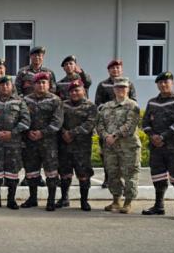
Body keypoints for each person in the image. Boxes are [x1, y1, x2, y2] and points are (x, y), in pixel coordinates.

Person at [141, 71, 174, 221]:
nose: (163, 85)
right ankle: (159, 206)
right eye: (160, 82)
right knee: (158, 177)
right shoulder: (152, 102)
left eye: (166, 82)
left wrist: (162, 137)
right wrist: (153, 136)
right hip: (156, 147)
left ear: (172, 83)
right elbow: (145, 123)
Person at [0, 76, 30, 209]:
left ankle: (11, 200)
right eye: (2, 85)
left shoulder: (19, 101)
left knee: (12, 172)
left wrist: (12, 133)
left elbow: (26, 121)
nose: (4, 87)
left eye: (7, 84)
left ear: (12, 86)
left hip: (13, 142)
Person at [96, 78, 141, 214]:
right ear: (114, 89)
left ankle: (128, 202)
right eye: (118, 87)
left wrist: (114, 136)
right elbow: (99, 124)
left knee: (130, 174)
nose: (121, 90)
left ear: (128, 89)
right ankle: (116, 201)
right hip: (110, 148)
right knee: (112, 174)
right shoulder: (106, 106)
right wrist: (105, 136)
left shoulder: (133, 106)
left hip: (129, 147)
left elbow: (130, 125)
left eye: (123, 87)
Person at [20, 73, 64, 211]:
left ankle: (51, 200)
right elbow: (21, 118)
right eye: (38, 83)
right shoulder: (26, 100)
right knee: (31, 171)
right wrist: (27, 132)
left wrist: (42, 133)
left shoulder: (55, 100)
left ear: (49, 84)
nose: (41, 85)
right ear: (34, 85)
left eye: (44, 82)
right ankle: (32, 198)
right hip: (30, 141)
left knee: (51, 172)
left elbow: (57, 122)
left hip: (48, 142)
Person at [95, 58, 137, 189]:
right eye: (112, 68)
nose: (115, 70)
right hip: (108, 125)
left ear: (121, 69)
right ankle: (108, 178)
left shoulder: (129, 84)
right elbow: (98, 104)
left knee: (124, 155)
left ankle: (123, 181)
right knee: (106, 153)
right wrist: (108, 111)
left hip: (123, 124)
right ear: (108, 70)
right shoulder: (102, 85)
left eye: (118, 67)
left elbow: (133, 101)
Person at [58, 80, 97, 211]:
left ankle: (84, 201)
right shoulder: (63, 105)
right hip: (65, 145)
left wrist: (72, 133)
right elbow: (57, 121)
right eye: (72, 91)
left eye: (77, 90)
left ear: (83, 91)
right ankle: (64, 199)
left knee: (83, 174)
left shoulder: (90, 106)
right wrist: (63, 132)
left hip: (82, 147)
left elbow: (90, 123)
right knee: (65, 173)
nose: (74, 93)